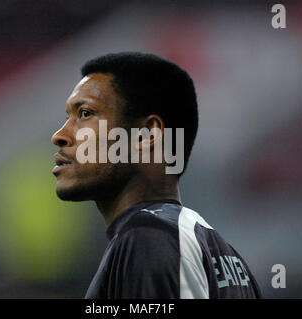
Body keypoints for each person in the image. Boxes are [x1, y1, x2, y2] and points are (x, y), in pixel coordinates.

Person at [51, 52, 261, 299]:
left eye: (85, 113)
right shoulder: (231, 260)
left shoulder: (146, 238)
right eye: (68, 118)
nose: (60, 135)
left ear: (147, 134)